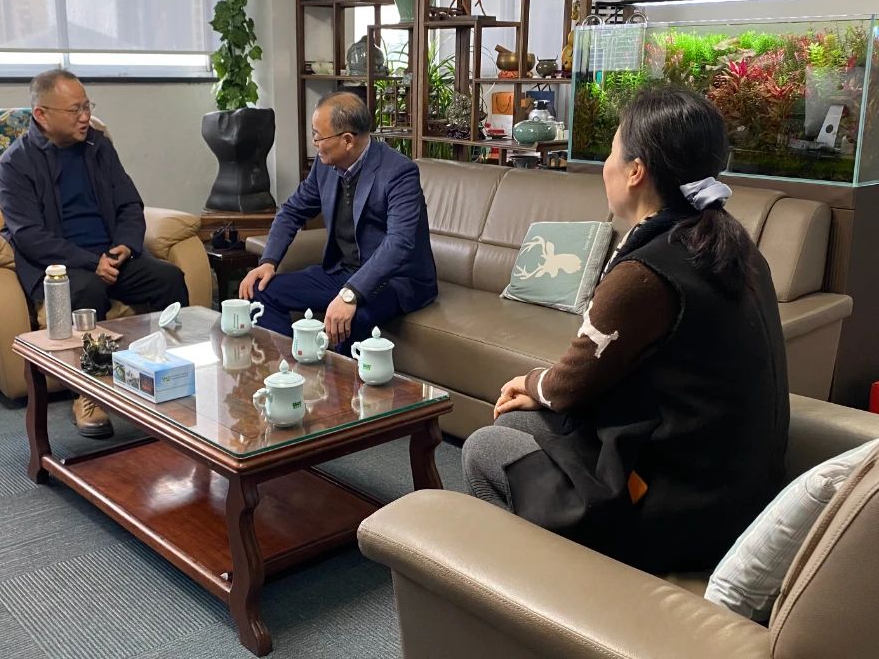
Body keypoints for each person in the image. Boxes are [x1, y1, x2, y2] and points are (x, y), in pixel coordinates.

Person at [462, 87, 790, 574]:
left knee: (483, 449)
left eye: (612, 152)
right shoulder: (730, 244)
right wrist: (542, 392)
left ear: (636, 170)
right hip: (736, 489)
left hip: (681, 508)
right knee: (517, 426)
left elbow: (571, 383)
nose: (606, 167)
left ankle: (524, 590)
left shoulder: (646, 274)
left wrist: (531, 383)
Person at [0, 69, 188, 438]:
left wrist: (125, 244)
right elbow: (29, 236)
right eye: (75, 110)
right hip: (59, 267)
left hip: (111, 256)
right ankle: (88, 393)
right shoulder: (15, 164)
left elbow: (129, 203)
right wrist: (90, 262)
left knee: (169, 279)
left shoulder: (98, 147)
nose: (85, 117)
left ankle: (169, 375)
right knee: (86, 290)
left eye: (87, 107)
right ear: (41, 115)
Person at [238, 92, 437, 347]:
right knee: (261, 290)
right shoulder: (325, 165)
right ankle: (291, 365)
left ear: (347, 140)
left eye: (318, 136)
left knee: (351, 319)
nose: (314, 143)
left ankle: (336, 374)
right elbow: (292, 211)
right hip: (342, 272)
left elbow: (399, 243)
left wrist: (351, 294)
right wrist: (269, 261)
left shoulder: (399, 172)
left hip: (394, 280)